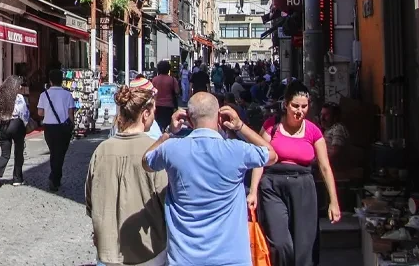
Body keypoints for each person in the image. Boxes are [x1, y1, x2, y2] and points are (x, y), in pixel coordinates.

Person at [143, 92, 277, 265]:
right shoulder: (237, 150)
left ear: (189, 120)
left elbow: (146, 161)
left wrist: (169, 131)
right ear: (220, 117)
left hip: (184, 258)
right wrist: (240, 126)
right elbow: (272, 155)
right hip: (231, 258)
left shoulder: (172, 149)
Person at [250, 82, 341, 266]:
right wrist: (253, 191)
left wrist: (334, 201)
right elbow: (260, 159)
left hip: (303, 187)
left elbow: (325, 167)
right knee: (281, 243)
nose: (299, 111)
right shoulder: (271, 127)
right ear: (286, 104)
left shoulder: (313, 131)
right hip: (273, 186)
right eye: (295, 106)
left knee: (304, 247)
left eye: (304, 106)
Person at [87, 85, 168, 266]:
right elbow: (166, 200)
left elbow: (90, 199)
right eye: (153, 111)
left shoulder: (102, 150)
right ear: (145, 114)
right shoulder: (155, 151)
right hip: (148, 249)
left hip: (109, 249)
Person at [36, 68, 76, 192]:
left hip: (49, 128)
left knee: (54, 152)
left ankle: (55, 178)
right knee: (60, 154)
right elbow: (71, 114)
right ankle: (54, 178)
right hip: (63, 128)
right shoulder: (67, 94)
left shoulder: (44, 94)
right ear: (62, 81)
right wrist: (71, 127)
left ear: (50, 81)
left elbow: (40, 113)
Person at [0, 77, 29, 189]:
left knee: (5, 154)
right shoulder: (19, 98)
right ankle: (17, 178)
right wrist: (25, 125)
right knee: (18, 152)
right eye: (19, 85)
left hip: (3, 125)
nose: (20, 87)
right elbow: (24, 113)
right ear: (14, 87)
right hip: (16, 124)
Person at [150, 61, 181, 132]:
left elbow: (151, 92)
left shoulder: (155, 79)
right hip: (169, 105)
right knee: (167, 124)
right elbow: (177, 91)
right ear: (168, 69)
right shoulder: (172, 80)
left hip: (157, 105)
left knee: (159, 124)